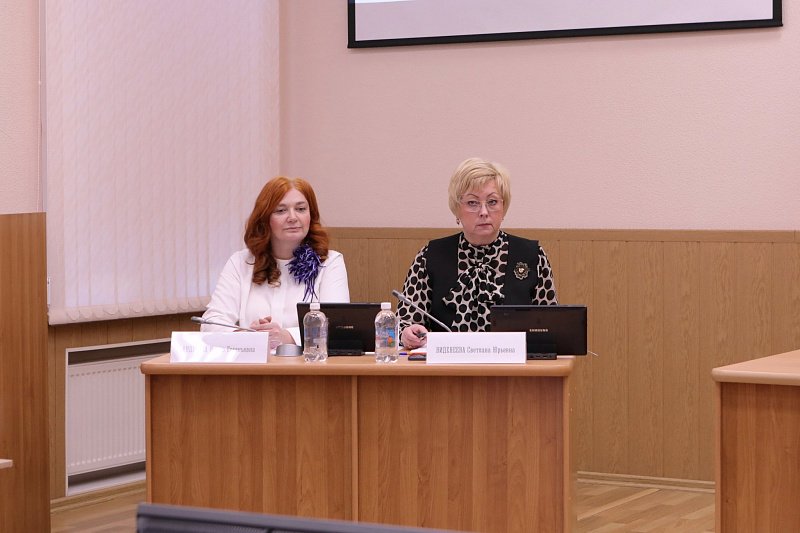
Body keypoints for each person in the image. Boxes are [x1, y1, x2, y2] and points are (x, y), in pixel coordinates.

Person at [399, 157, 558, 349]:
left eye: (492, 202)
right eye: (472, 203)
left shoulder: (532, 256)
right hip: (446, 365)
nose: (483, 211)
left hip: (513, 366)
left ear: (503, 207)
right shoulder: (429, 256)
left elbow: (551, 327)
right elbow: (405, 323)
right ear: (457, 209)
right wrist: (407, 334)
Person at [201, 176, 349, 347]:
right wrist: (246, 336)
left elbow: (337, 325)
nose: (292, 217)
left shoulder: (330, 263)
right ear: (265, 219)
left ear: (311, 215)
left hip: (308, 362)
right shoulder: (240, 262)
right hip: (253, 361)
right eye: (280, 210)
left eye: (301, 209)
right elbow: (210, 323)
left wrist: (287, 337)